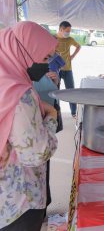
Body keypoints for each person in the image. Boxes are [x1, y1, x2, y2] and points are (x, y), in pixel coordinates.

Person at [0, 21, 59, 231]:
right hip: (19, 202)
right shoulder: (21, 94)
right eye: (44, 58)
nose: (46, 65)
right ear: (23, 51)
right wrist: (51, 117)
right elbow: (35, 154)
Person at [56, 21, 81, 118]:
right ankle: (55, 111)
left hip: (68, 69)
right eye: (67, 31)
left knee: (71, 91)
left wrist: (73, 56)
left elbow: (78, 46)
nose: (68, 33)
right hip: (56, 70)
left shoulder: (70, 39)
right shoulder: (53, 38)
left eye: (69, 31)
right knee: (55, 91)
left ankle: (74, 113)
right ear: (61, 29)